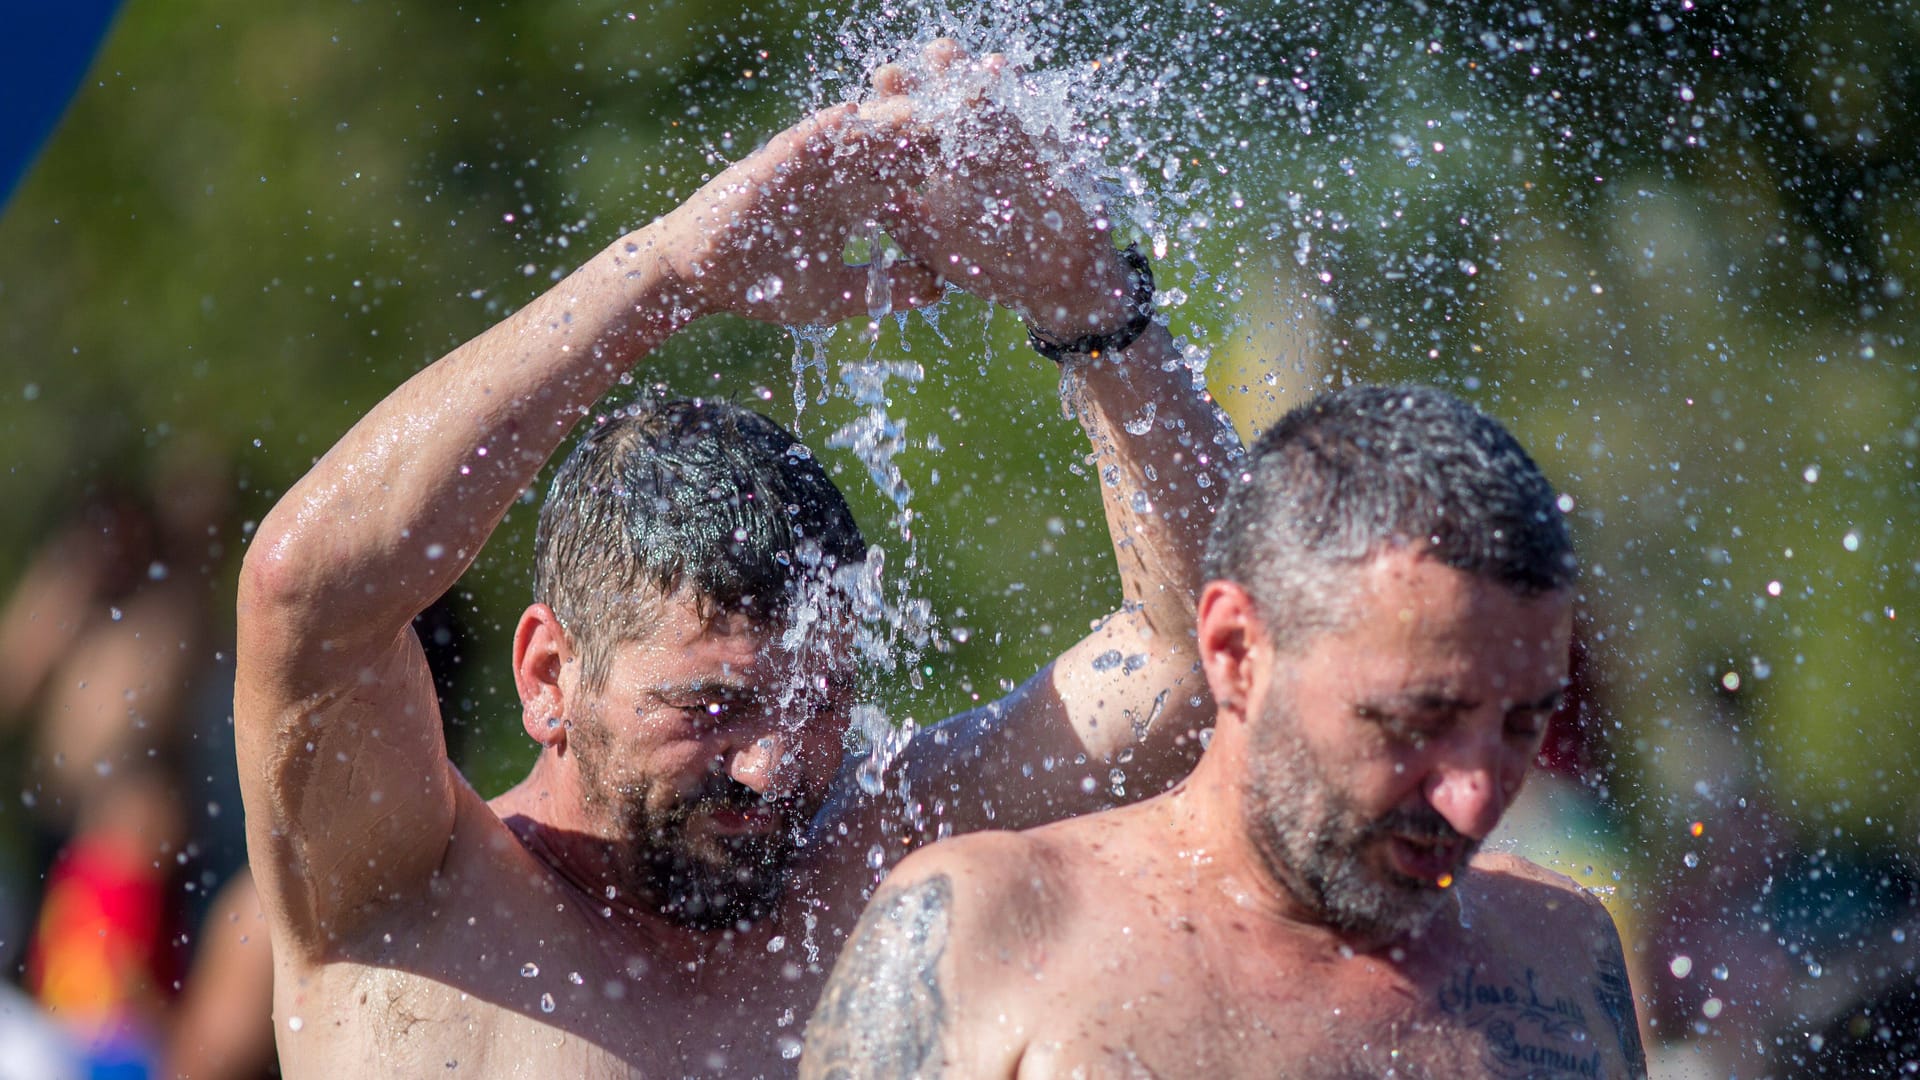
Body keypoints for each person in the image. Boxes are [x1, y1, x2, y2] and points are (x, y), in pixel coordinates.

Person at [235, 42, 1238, 1078]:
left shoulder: (883, 863)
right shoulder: (411, 891)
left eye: (819, 705)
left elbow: (1203, 651)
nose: (774, 767)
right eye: (710, 708)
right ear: (548, 676)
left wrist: (1092, 308)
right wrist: (669, 275)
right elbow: (310, 597)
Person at [803, 385, 1651, 1079]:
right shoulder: (992, 933)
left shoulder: (1563, 948)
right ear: (1236, 652)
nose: (1473, 801)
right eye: (1414, 723)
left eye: (1521, 726)